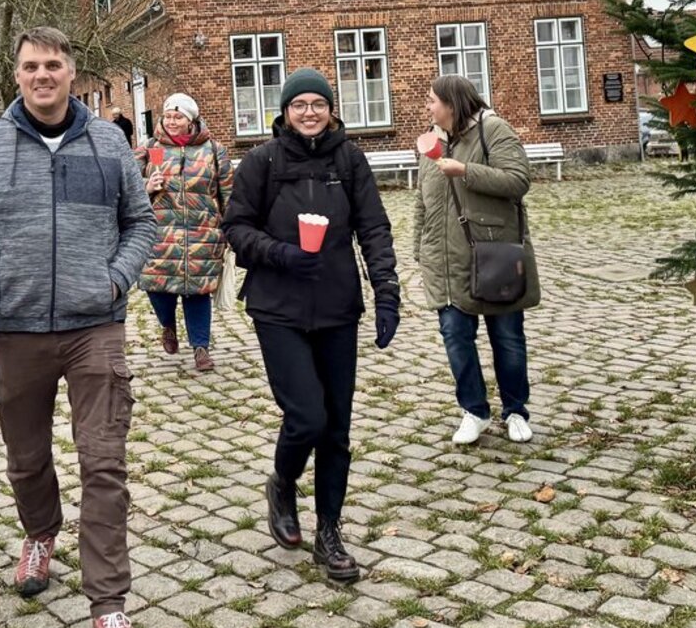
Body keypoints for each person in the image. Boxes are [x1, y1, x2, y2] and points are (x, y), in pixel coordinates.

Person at [0, 27, 155, 628]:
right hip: (17, 330)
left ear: (70, 70)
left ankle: (109, 604)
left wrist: (116, 277)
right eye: (30, 65)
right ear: (18, 73)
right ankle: (39, 533)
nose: (42, 75)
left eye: (53, 64)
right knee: (27, 460)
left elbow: (140, 221)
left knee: (104, 462)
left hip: (96, 328)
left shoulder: (107, 142)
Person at [222, 67, 400, 583]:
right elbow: (235, 226)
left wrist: (386, 293)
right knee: (306, 415)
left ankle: (329, 532)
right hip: (277, 307)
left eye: (317, 104)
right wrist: (279, 253)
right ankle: (282, 482)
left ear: (331, 109)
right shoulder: (264, 161)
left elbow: (374, 227)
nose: (308, 113)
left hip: (337, 307)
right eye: (298, 104)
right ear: (284, 111)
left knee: (337, 428)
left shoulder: (349, 160)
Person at [414, 75, 540, 445]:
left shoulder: (493, 130)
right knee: (455, 337)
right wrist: (419, 250)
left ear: (452, 103)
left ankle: (515, 410)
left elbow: (518, 180)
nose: (428, 106)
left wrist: (466, 171)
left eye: (433, 100)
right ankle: (475, 411)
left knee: (508, 339)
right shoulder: (432, 141)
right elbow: (423, 200)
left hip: (492, 254)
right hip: (444, 261)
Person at [135, 93, 233, 371]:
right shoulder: (150, 148)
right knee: (157, 288)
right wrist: (146, 185)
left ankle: (200, 348)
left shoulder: (214, 151)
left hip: (203, 233)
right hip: (160, 233)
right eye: (167, 116)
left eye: (178, 116)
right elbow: (126, 184)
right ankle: (167, 325)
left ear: (191, 120)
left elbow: (228, 192)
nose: (172, 121)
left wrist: (229, 228)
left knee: (197, 292)